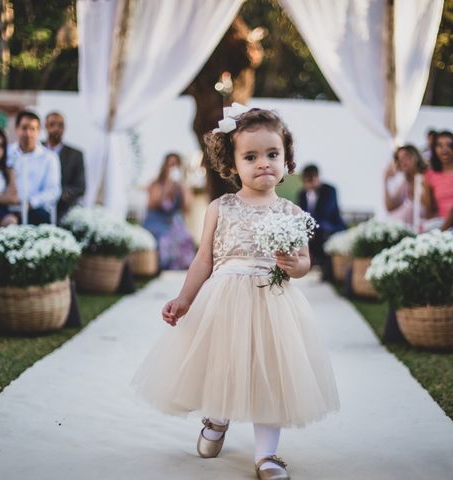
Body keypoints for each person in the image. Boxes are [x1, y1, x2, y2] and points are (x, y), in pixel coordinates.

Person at [132, 107, 339, 480]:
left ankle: (267, 455)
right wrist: (184, 299)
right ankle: (216, 417)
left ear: (287, 158)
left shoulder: (291, 213)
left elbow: (305, 261)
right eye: (251, 156)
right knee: (224, 365)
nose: (264, 164)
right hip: (225, 299)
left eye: (272, 154)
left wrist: (295, 266)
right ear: (232, 163)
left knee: (270, 374)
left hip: (273, 302)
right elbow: (202, 261)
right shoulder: (220, 208)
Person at [143, 153, 196, 270]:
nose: (173, 167)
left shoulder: (180, 187)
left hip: (173, 224)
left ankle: (182, 266)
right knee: (164, 239)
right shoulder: (156, 184)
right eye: (171, 164)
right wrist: (167, 187)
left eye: (176, 164)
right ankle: (164, 267)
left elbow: (187, 208)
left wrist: (182, 186)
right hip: (156, 221)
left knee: (186, 237)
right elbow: (153, 203)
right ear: (165, 166)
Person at [7, 110, 61, 225]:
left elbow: (53, 190)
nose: (28, 133)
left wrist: (30, 203)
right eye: (24, 128)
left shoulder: (49, 157)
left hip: (35, 209)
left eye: (33, 129)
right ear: (17, 129)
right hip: (7, 207)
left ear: (39, 131)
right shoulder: (7, 152)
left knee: (41, 218)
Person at [297, 164, 346, 264]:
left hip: (330, 227)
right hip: (311, 230)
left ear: (317, 177)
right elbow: (300, 213)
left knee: (320, 231)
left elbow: (327, 212)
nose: (309, 183)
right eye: (306, 180)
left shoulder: (330, 190)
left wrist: (311, 226)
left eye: (311, 179)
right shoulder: (302, 194)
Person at [43, 111, 86, 220]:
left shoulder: (76, 154)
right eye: (52, 124)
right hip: (37, 206)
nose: (56, 128)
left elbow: (80, 187)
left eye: (60, 125)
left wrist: (58, 193)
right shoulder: (37, 149)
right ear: (45, 127)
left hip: (63, 209)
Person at [421, 130, 453, 230]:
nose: (444, 149)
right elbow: (429, 210)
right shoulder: (430, 175)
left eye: (449, 145)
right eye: (439, 146)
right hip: (440, 223)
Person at [384, 145, 427, 227]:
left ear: (416, 156)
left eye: (406, 157)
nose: (403, 162)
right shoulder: (405, 184)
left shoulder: (426, 177)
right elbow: (390, 207)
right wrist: (386, 181)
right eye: (399, 159)